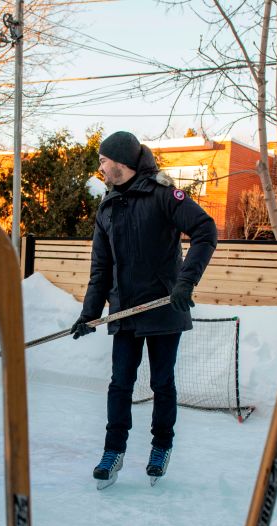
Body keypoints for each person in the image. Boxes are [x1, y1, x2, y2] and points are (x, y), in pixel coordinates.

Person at [71, 131, 217, 487]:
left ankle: (161, 446)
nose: (100, 167)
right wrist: (89, 313)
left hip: (165, 307)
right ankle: (113, 449)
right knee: (120, 383)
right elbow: (101, 269)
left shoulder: (164, 195)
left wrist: (186, 283)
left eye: (104, 160)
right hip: (125, 312)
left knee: (161, 382)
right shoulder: (107, 208)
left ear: (120, 161)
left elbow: (205, 229)